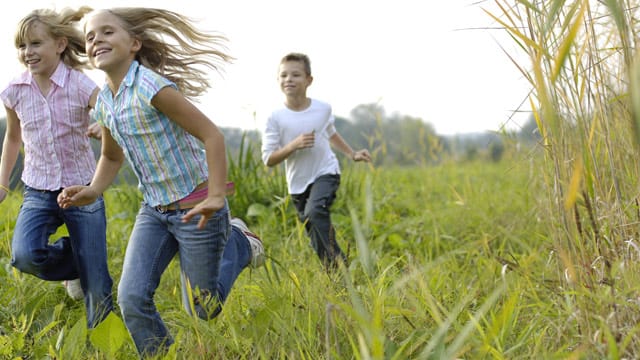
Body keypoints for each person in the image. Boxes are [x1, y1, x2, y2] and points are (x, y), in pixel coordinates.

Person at [57, 7, 265, 357]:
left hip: (198, 206)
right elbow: (111, 157)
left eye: (107, 32)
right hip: (154, 210)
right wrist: (92, 190)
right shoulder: (105, 102)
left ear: (134, 43)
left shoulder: (152, 87)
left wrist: (216, 195)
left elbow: (211, 135)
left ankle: (241, 242)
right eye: (91, 36)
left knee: (202, 308)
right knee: (131, 297)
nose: (96, 40)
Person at [0, 7, 114, 329]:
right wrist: (3, 183)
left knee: (98, 285)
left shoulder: (81, 85)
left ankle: (103, 341)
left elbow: (111, 117)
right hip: (38, 188)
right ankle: (79, 264)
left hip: (82, 188)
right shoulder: (15, 91)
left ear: (60, 44)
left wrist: (100, 124)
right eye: (22, 46)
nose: (27, 53)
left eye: (35, 44)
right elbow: (12, 138)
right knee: (24, 255)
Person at [261, 52, 371, 270]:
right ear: (278, 80)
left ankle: (342, 269)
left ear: (309, 80)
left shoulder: (322, 109)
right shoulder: (275, 118)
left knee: (315, 211)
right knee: (313, 228)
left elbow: (330, 132)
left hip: (326, 171)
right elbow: (269, 160)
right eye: (283, 75)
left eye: (296, 75)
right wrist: (293, 145)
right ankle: (333, 273)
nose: (289, 79)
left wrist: (352, 154)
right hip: (297, 183)